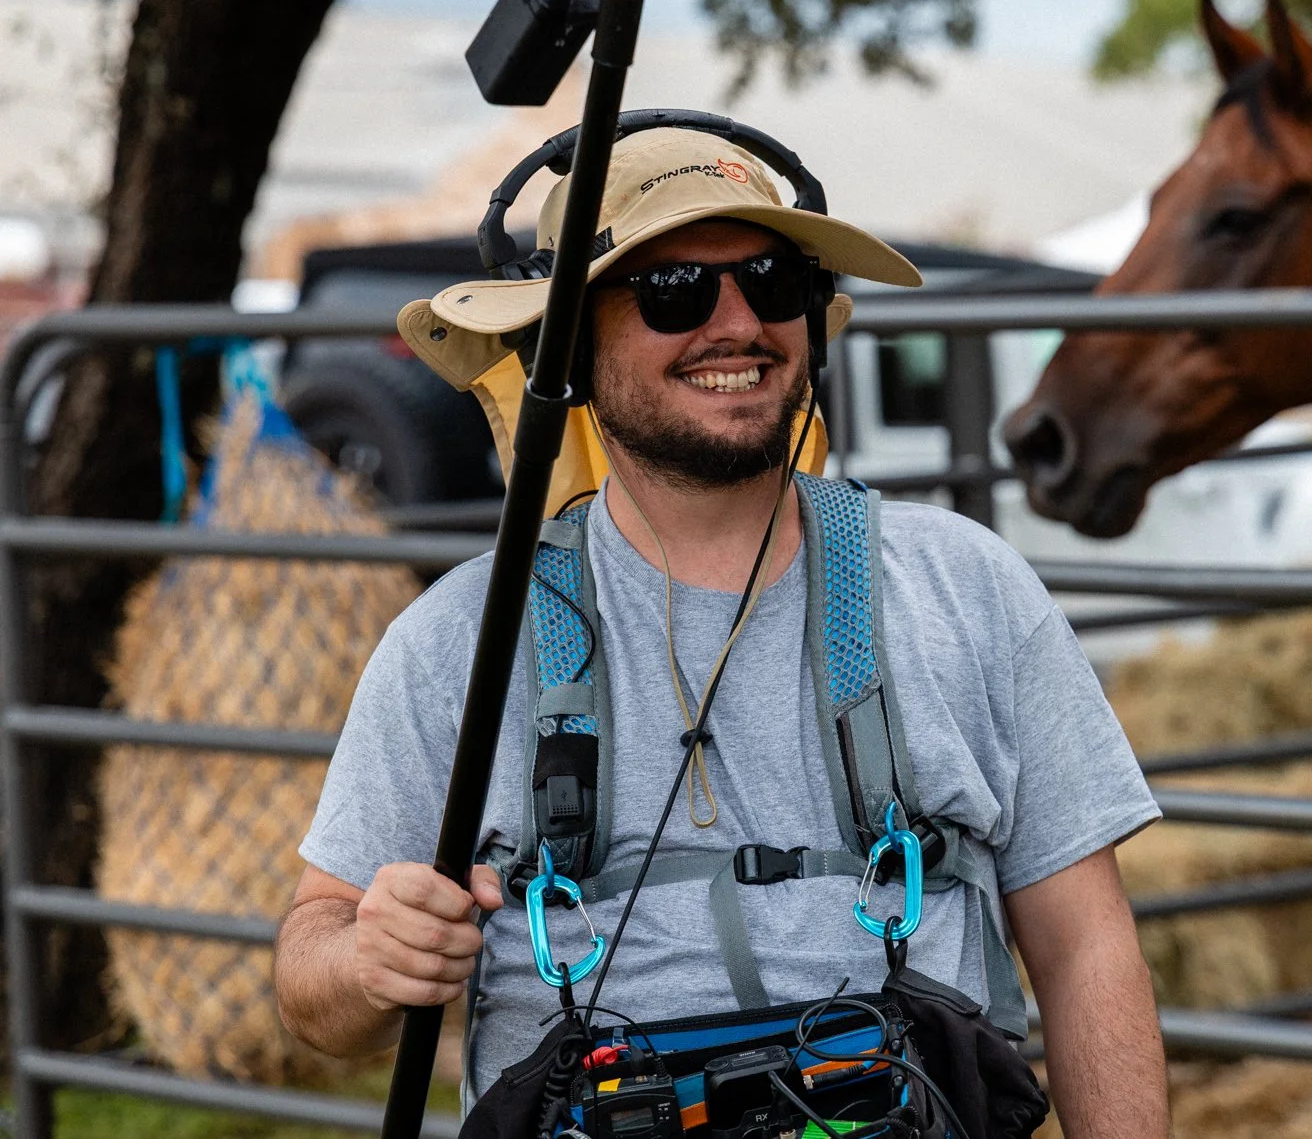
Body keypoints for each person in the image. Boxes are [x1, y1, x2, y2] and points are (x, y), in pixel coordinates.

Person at [273, 127, 1169, 1139]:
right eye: (675, 291)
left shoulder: (967, 589)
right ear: (567, 348)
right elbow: (312, 983)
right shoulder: (459, 643)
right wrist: (369, 959)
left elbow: (1085, 948)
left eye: (773, 282)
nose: (738, 324)